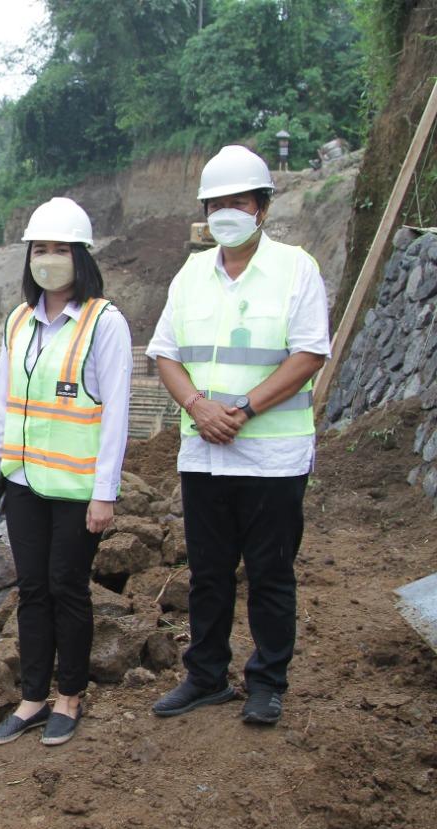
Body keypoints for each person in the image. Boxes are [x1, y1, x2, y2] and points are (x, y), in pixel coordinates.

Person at [147, 145, 329, 725]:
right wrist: (199, 407)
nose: (228, 212)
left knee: (271, 573)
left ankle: (267, 683)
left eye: (239, 202)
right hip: (204, 455)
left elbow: (308, 355)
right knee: (207, 574)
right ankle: (206, 677)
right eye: (217, 203)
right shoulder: (191, 274)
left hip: (273, 458)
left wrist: (243, 410)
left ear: (263, 208)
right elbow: (168, 357)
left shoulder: (295, 268)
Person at [0, 198, 133, 748]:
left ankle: (69, 695)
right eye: (39, 249)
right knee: (33, 588)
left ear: (81, 256)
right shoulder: (19, 321)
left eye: (59, 249)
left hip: (76, 489)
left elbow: (116, 413)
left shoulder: (104, 323)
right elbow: (3, 400)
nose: (48, 259)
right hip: (23, 483)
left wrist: (105, 494)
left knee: (69, 587)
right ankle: (32, 697)